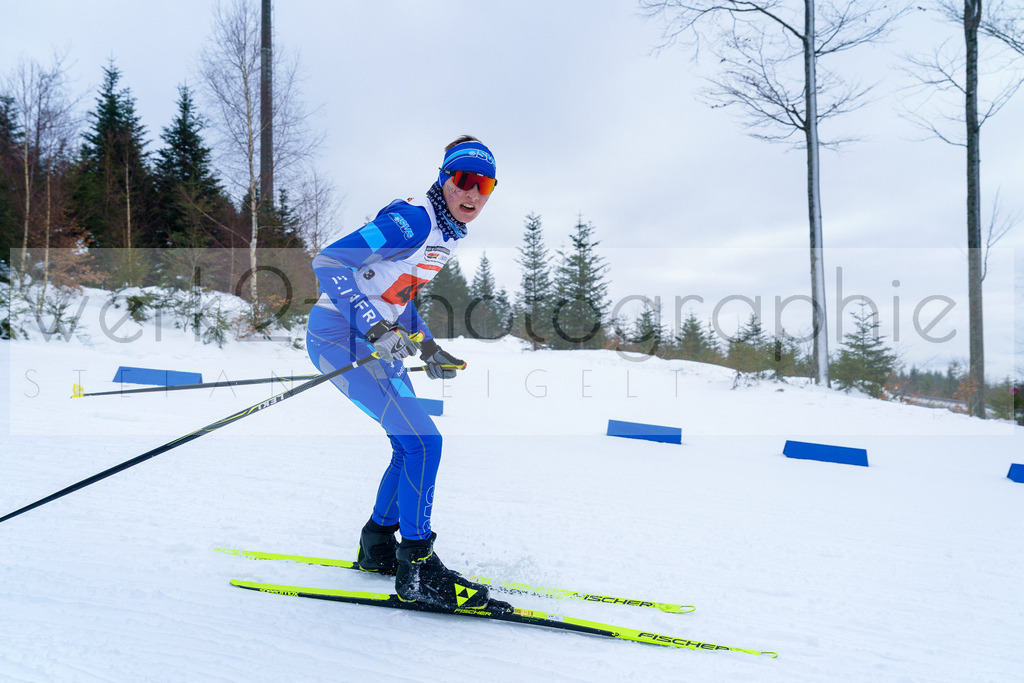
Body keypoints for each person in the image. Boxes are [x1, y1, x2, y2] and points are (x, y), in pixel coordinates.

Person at [306, 135, 498, 610]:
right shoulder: (413, 220)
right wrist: (374, 328)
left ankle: (377, 545)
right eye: (464, 179)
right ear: (444, 179)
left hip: (373, 340)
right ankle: (419, 567)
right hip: (339, 336)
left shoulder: (445, 234)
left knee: (409, 443)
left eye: (485, 185)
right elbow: (329, 260)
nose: (472, 193)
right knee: (425, 442)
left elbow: (397, 297)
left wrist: (428, 348)